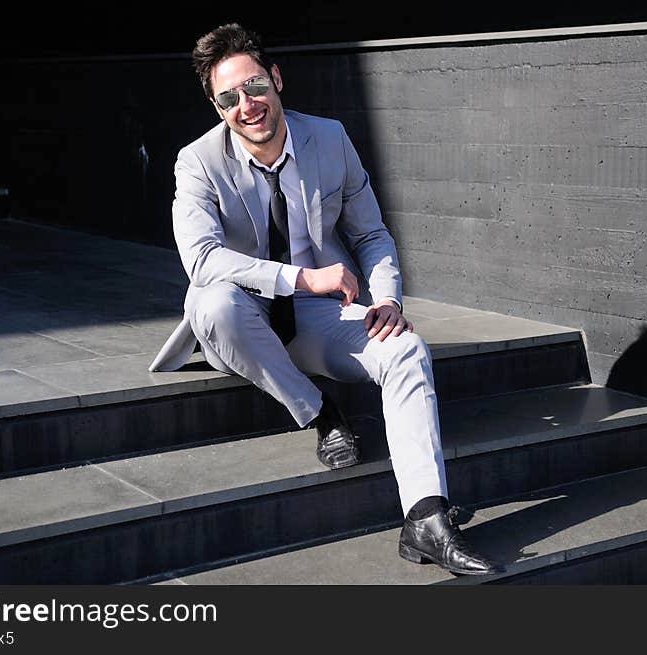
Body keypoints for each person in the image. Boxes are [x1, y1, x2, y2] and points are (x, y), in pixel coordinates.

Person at [149, 23, 504, 576]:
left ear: (277, 79)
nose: (247, 105)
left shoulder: (330, 138)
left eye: (256, 86)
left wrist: (386, 300)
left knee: (407, 350)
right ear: (215, 106)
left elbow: (370, 235)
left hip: (318, 319)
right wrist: (301, 278)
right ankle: (321, 412)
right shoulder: (196, 161)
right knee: (213, 301)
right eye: (229, 98)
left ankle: (426, 520)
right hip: (241, 319)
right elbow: (202, 261)